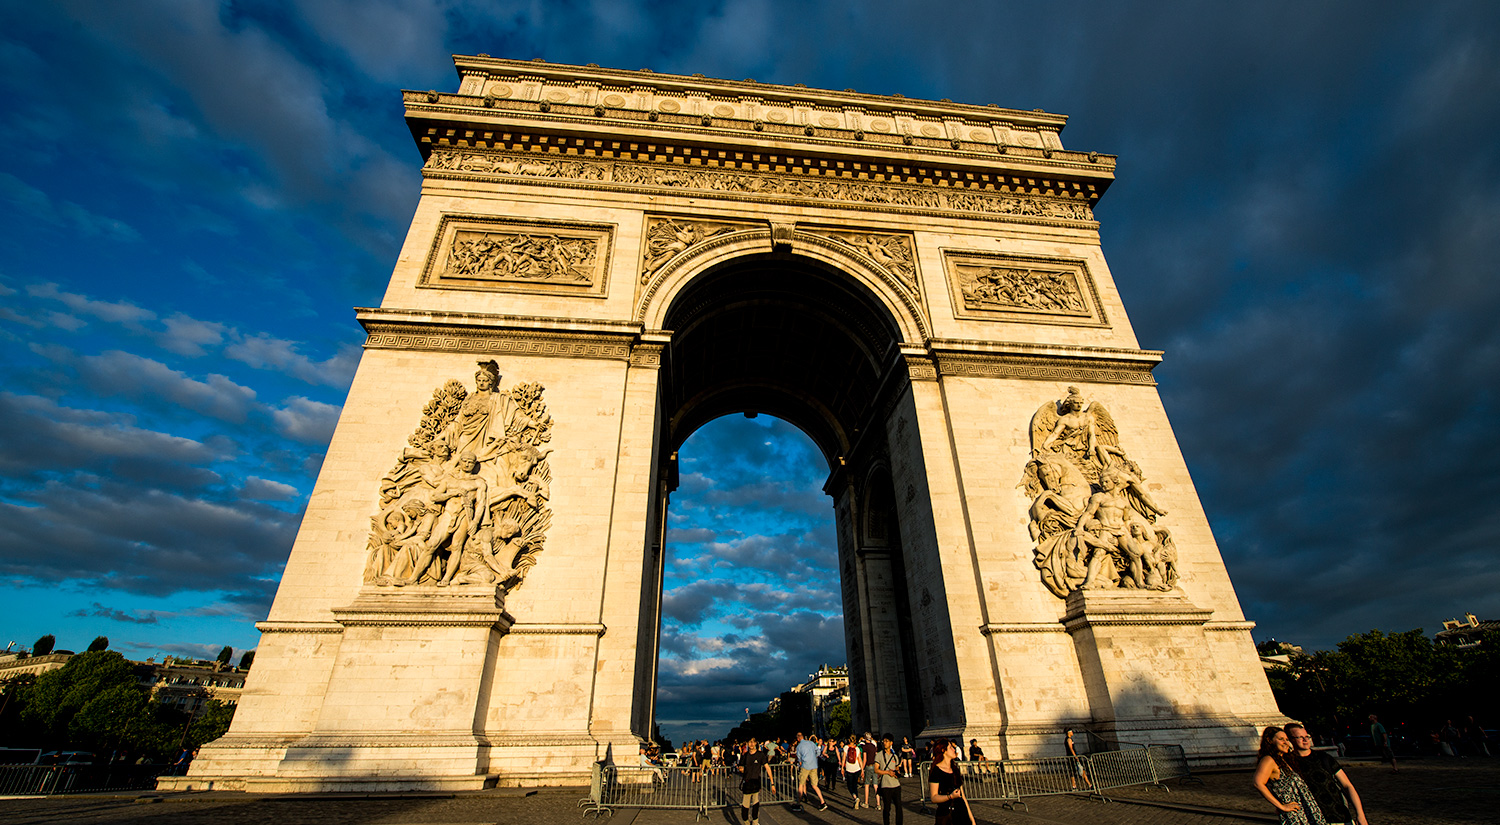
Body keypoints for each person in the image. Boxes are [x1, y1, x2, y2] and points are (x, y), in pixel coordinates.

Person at [1285, 723, 1367, 825]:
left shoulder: (1324, 758)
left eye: (1307, 736)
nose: (1305, 740)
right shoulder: (1287, 763)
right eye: (1300, 737)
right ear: (1290, 740)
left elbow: (1347, 785)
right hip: (1311, 819)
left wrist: (1360, 814)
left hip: (1340, 816)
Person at [1252, 726, 1327, 825]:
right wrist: (1281, 806)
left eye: (1287, 739)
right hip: (1296, 815)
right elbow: (1258, 783)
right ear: (1269, 741)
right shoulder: (1269, 760)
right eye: (1281, 739)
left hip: (1308, 810)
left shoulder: (1285, 759)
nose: (1286, 743)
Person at [928, 738, 971, 825]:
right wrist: (950, 796)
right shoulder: (936, 771)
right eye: (951, 747)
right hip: (946, 814)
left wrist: (972, 820)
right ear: (944, 750)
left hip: (961, 813)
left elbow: (963, 796)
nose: (954, 749)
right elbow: (934, 797)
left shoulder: (955, 769)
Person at [738, 736, 775, 825]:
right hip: (747, 782)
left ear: (755, 743)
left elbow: (767, 768)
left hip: (755, 782)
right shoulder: (745, 755)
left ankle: (755, 823)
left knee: (755, 806)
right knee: (744, 810)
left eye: (753, 742)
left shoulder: (760, 755)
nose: (751, 744)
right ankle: (747, 822)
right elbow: (741, 766)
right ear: (747, 744)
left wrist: (772, 783)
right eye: (749, 742)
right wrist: (741, 769)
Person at [792, 731, 829, 811]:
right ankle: (823, 802)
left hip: (805, 765)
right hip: (814, 765)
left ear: (798, 739)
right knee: (815, 785)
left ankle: (798, 803)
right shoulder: (811, 743)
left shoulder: (799, 746)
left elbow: (799, 758)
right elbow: (818, 751)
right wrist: (814, 757)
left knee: (801, 784)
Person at [875, 733, 904, 825]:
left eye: (887, 741)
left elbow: (897, 769)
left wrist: (897, 774)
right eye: (883, 741)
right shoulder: (879, 755)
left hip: (896, 785)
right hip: (885, 785)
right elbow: (876, 770)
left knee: (899, 807)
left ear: (891, 742)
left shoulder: (895, 756)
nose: (884, 743)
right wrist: (887, 772)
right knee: (887, 808)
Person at [861, 731, 881, 809]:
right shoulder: (874, 746)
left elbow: (865, 759)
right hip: (875, 766)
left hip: (868, 766)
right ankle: (878, 803)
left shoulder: (865, 747)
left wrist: (862, 769)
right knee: (875, 785)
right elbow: (876, 757)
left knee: (867, 784)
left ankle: (866, 802)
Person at [843, 736, 865, 807]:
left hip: (849, 768)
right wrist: (862, 770)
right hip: (857, 768)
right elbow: (859, 759)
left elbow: (844, 758)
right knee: (855, 785)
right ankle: (857, 798)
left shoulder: (846, 748)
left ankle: (856, 798)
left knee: (849, 785)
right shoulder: (857, 748)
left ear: (849, 740)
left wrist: (842, 767)